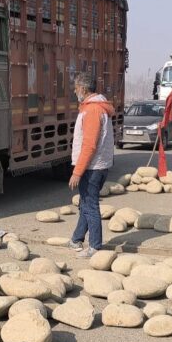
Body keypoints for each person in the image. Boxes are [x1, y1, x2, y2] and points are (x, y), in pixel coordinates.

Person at [68, 72, 115, 258]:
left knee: (90, 206)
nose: (74, 90)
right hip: (99, 165)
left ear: (84, 89)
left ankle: (95, 246)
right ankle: (76, 239)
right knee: (85, 205)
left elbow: (89, 144)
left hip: (92, 167)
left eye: (76, 87)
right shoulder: (96, 106)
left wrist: (77, 172)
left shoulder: (93, 110)